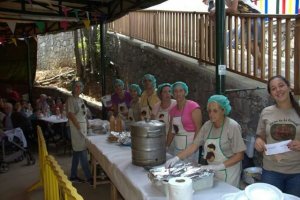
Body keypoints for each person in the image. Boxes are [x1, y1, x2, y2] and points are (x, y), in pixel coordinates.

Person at [166, 95, 246, 187]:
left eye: (215, 111)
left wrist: (218, 167)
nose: (211, 114)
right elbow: (194, 146)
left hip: (228, 172)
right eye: (209, 111)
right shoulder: (207, 126)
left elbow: (240, 155)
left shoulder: (232, 126)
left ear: (223, 111)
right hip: (211, 170)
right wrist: (176, 158)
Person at [255, 75, 300, 197]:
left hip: (297, 172)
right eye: (273, 88)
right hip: (271, 171)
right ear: (270, 94)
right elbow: (261, 135)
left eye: (281, 86)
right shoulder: (266, 112)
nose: (278, 90)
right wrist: (259, 141)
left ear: (289, 87)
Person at [206, 0, 263, 69]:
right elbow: (234, 10)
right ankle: (261, 66)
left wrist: (217, 10)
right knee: (249, 46)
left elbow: (233, 9)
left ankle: (261, 67)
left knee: (255, 45)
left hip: (256, 18)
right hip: (246, 20)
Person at [166, 81, 202, 160]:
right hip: (177, 148)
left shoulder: (193, 106)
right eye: (175, 91)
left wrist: (194, 148)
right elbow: (171, 131)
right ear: (172, 93)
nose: (178, 94)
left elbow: (198, 129)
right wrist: (166, 146)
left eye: (181, 91)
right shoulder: (172, 111)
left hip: (191, 148)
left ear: (185, 92)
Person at [66, 80, 92, 184]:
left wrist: (87, 124)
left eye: (80, 86)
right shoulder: (70, 99)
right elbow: (71, 115)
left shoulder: (80, 100)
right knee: (83, 152)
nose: (79, 88)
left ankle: (73, 176)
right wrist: (79, 128)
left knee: (77, 152)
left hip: (82, 127)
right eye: (76, 86)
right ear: (73, 88)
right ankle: (89, 177)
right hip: (76, 128)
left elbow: (84, 114)